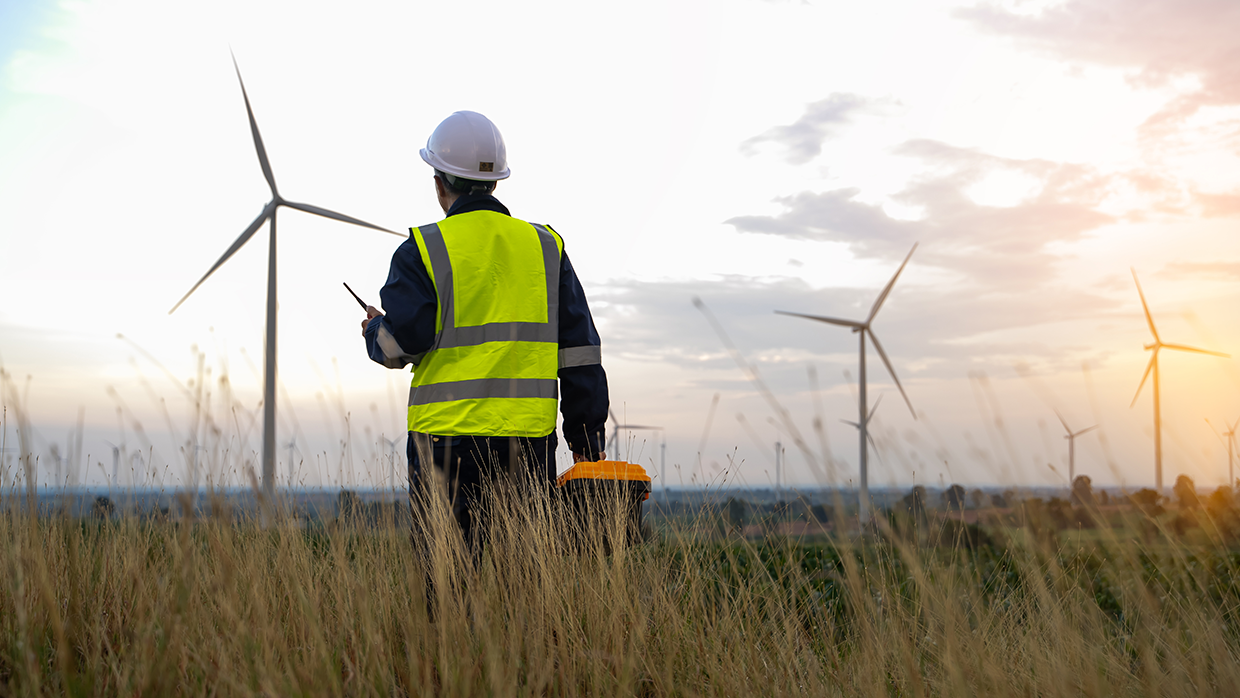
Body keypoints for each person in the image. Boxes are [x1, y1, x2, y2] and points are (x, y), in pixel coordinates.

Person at [361, 110, 609, 551]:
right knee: (522, 589)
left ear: (439, 182)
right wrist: (585, 439)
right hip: (527, 446)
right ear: (496, 182)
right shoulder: (545, 247)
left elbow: (402, 344)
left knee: (449, 591)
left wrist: (375, 329)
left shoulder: (422, 249)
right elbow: (580, 352)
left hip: (443, 445)